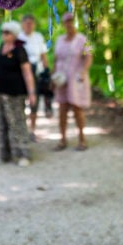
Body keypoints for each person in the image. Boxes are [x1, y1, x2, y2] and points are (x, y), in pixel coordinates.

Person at [0, 20, 37, 166]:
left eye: (7, 32)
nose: (4, 35)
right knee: (1, 123)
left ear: (14, 34)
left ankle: (24, 154)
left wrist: (32, 92)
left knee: (17, 122)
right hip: (0, 92)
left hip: (15, 93)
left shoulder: (20, 50)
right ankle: (5, 154)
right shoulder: (1, 47)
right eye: (3, 32)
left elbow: (27, 72)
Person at [52, 11, 93, 151]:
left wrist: (83, 71)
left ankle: (82, 139)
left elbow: (89, 57)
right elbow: (56, 59)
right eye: (66, 21)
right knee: (62, 109)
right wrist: (53, 77)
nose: (69, 24)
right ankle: (62, 139)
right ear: (64, 24)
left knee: (77, 108)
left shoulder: (82, 39)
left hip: (76, 78)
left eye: (71, 21)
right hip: (61, 78)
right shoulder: (60, 39)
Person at [19, 14, 53, 133]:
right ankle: (22, 128)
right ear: (22, 24)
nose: (29, 25)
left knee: (35, 100)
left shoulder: (38, 37)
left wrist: (46, 70)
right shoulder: (18, 38)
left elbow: (43, 55)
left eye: (31, 23)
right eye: (27, 23)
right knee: (21, 101)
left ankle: (32, 130)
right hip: (22, 74)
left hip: (37, 72)